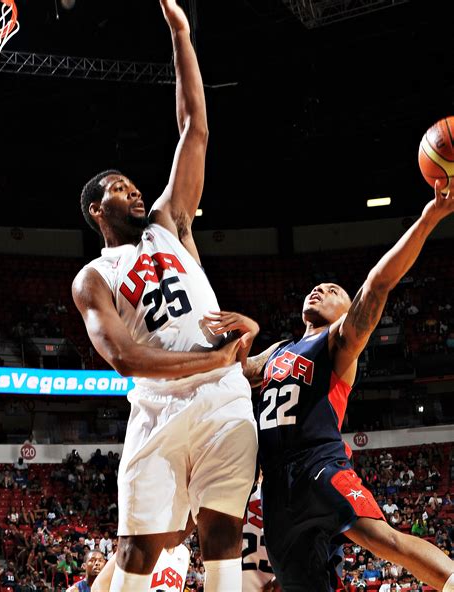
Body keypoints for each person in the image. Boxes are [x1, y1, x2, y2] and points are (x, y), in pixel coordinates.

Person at [71, 2, 258, 591]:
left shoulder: (170, 222)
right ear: (97, 210)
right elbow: (126, 359)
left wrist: (180, 32)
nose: (133, 190)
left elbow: (194, 129)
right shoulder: (93, 277)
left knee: (223, 533)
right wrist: (211, 359)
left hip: (224, 397)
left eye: (133, 184)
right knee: (137, 547)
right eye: (118, 189)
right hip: (158, 406)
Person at [206, 179, 454, 591]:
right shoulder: (277, 352)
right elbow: (225, 373)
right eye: (316, 288)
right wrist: (246, 333)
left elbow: (377, 283)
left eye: (333, 290)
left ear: (346, 308)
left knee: (380, 538)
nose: (320, 289)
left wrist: (429, 219)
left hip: (319, 463)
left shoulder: (338, 341)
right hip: (276, 487)